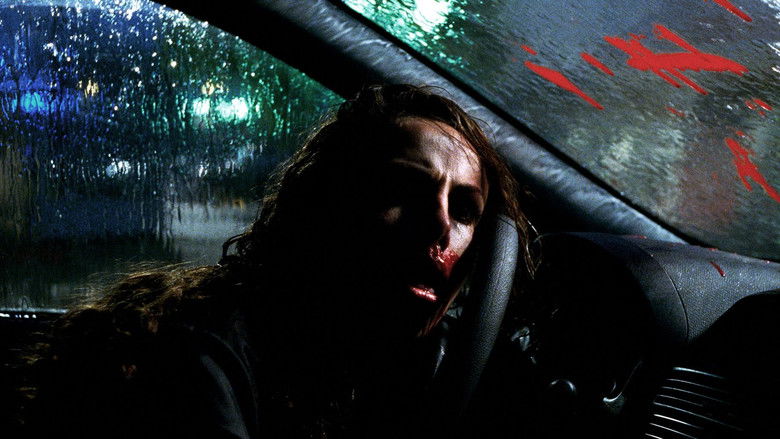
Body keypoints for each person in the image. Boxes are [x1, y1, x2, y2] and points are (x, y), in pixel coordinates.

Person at [21, 84, 533, 438]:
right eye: (403, 189)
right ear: (325, 206)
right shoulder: (198, 352)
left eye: (465, 209)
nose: (441, 225)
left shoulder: (393, 365)